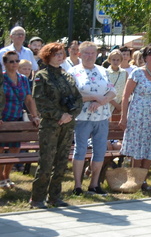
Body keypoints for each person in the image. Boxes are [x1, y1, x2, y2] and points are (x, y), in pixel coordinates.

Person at [30, 42, 83, 208]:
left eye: (61, 54)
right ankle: (37, 198)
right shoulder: (42, 76)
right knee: (46, 162)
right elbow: (40, 101)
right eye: (56, 54)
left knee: (61, 161)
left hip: (67, 125)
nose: (60, 57)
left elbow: (78, 99)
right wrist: (60, 115)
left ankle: (54, 196)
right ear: (48, 56)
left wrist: (70, 115)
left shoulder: (66, 76)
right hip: (50, 125)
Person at [70, 41, 116, 196]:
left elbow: (112, 91)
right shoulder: (74, 72)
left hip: (102, 117)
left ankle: (94, 184)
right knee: (80, 150)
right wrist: (93, 97)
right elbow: (72, 96)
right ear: (79, 54)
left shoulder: (103, 70)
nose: (90, 56)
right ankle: (77, 185)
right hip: (82, 117)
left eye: (92, 53)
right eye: (86, 53)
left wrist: (102, 100)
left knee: (100, 150)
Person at [119, 44, 151, 192]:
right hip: (138, 115)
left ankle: (144, 180)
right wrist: (123, 117)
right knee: (138, 148)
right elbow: (126, 95)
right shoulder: (137, 73)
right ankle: (135, 180)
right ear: (145, 58)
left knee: (149, 148)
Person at [1, 51, 40, 189]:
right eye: (11, 61)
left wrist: (34, 116)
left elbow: (28, 99)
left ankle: (7, 175)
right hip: (3, 118)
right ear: (5, 63)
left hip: (17, 117)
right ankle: (0, 178)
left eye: (16, 61)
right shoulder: (1, 78)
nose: (14, 64)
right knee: (0, 149)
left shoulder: (23, 79)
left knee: (15, 149)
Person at [104, 48, 128, 114]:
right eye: (113, 60)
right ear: (109, 60)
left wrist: (121, 105)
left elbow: (127, 90)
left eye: (118, 60)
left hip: (121, 105)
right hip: (108, 104)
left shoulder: (124, 73)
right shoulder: (105, 72)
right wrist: (116, 105)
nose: (115, 62)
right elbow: (104, 91)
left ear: (121, 61)